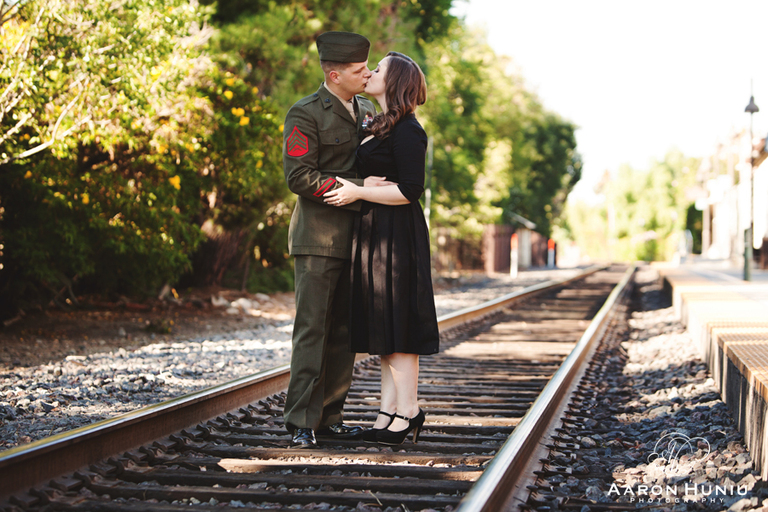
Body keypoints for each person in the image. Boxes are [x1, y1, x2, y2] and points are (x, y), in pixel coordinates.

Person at [323, 51, 439, 445]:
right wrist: (365, 184)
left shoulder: (409, 130)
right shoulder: (380, 125)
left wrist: (357, 190)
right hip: (374, 230)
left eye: (379, 70)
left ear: (396, 82)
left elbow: (410, 190)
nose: (370, 73)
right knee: (384, 326)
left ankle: (409, 412)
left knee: (399, 325)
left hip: (396, 235)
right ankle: (386, 415)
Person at [282, 32, 387, 448]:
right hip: (317, 238)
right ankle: (300, 421)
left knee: (344, 331)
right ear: (334, 74)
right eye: (360, 70)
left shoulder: (364, 107)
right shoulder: (305, 113)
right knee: (313, 329)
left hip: (357, 238)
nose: (367, 74)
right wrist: (360, 187)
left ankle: (330, 415)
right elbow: (299, 176)